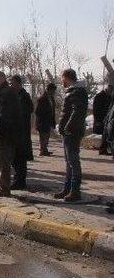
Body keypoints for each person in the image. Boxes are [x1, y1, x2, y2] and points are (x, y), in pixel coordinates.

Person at [56, 69, 88, 202]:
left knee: (73, 162)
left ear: (67, 77)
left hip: (72, 132)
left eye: (62, 78)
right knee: (69, 162)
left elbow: (77, 112)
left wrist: (68, 127)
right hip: (68, 132)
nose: (61, 81)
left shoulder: (77, 92)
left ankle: (75, 191)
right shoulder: (73, 91)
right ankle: (67, 188)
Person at [0, 71, 20, 197]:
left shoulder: (5, 93)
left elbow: (4, 114)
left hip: (4, 133)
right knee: (2, 159)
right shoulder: (4, 91)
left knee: (3, 160)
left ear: (1, 79)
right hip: (5, 132)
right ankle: (2, 186)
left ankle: (3, 188)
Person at [9, 75, 33, 191]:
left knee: (20, 159)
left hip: (21, 133)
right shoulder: (15, 96)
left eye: (12, 84)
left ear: (19, 84)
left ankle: (20, 182)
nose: (10, 86)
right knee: (16, 159)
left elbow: (23, 113)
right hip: (16, 133)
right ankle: (18, 181)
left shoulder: (24, 96)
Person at [35, 83, 57, 156]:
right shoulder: (42, 99)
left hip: (49, 121)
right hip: (43, 121)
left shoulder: (51, 99)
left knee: (47, 136)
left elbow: (52, 110)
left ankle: (45, 149)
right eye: (53, 91)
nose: (54, 93)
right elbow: (37, 111)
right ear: (49, 90)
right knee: (43, 136)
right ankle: (42, 150)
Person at [93, 84, 113, 155]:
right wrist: (98, 120)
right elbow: (96, 110)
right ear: (106, 89)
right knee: (105, 135)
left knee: (106, 135)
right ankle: (103, 149)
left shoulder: (109, 97)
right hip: (101, 118)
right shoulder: (99, 96)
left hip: (107, 119)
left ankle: (103, 149)